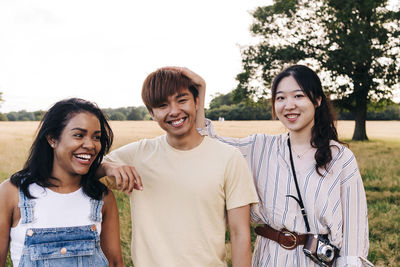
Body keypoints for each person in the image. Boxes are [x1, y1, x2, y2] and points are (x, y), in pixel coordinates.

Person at [177, 65, 370, 267]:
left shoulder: (340, 158)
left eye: (298, 96)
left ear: (318, 100)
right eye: (280, 98)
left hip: (317, 261)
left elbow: (354, 230)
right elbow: (207, 143)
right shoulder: (260, 147)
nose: (289, 105)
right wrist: (200, 91)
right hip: (270, 258)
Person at [98, 68, 259, 267]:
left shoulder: (229, 158)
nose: (174, 111)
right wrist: (108, 167)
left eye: (182, 100)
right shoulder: (138, 154)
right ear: (151, 113)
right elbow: (83, 170)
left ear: (197, 102)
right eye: (162, 105)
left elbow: (240, 233)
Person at [0, 98, 124, 267]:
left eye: (97, 137)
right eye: (78, 135)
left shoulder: (102, 197)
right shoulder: (11, 193)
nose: (90, 145)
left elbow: (115, 263)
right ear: (52, 139)